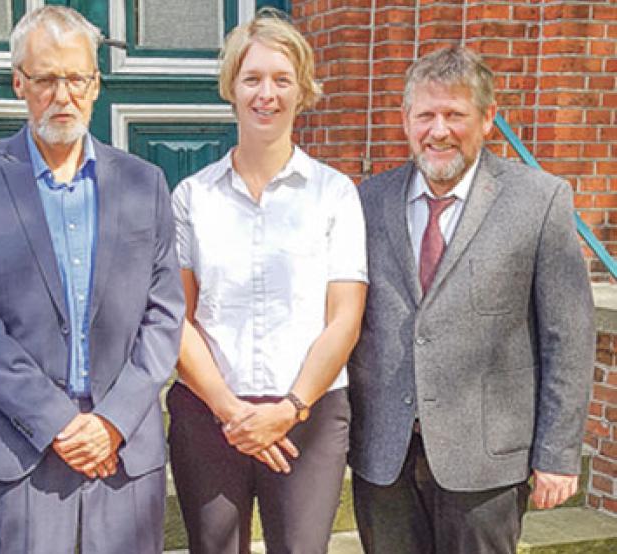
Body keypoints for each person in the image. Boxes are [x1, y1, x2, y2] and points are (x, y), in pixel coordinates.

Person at [0, 6, 184, 554]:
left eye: (77, 78)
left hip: (123, 451)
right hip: (20, 450)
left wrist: (112, 422)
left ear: (96, 85)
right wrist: (58, 423)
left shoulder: (146, 183)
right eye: (46, 79)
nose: (62, 94)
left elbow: (165, 316)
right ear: (19, 83)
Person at [348, 46, 595, 554]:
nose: (438, 130)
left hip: (486, 461)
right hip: (384, 454)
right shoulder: (366, 202)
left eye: (455, 115)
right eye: (426, 115)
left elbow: (567, 335)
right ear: (406, 120)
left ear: (487, 120)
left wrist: (558, 453)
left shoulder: (538, 200)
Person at [168, 12, 368, 554]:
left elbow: (345, 318)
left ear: (303, 91)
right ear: (231, 87)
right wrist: (231, 412)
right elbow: (176, 318)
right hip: (209, 414)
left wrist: (289, 409)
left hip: (309, 414)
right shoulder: (192, 197)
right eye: (252, 78)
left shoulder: (335, 194)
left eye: (282, 79)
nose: (267, 94)